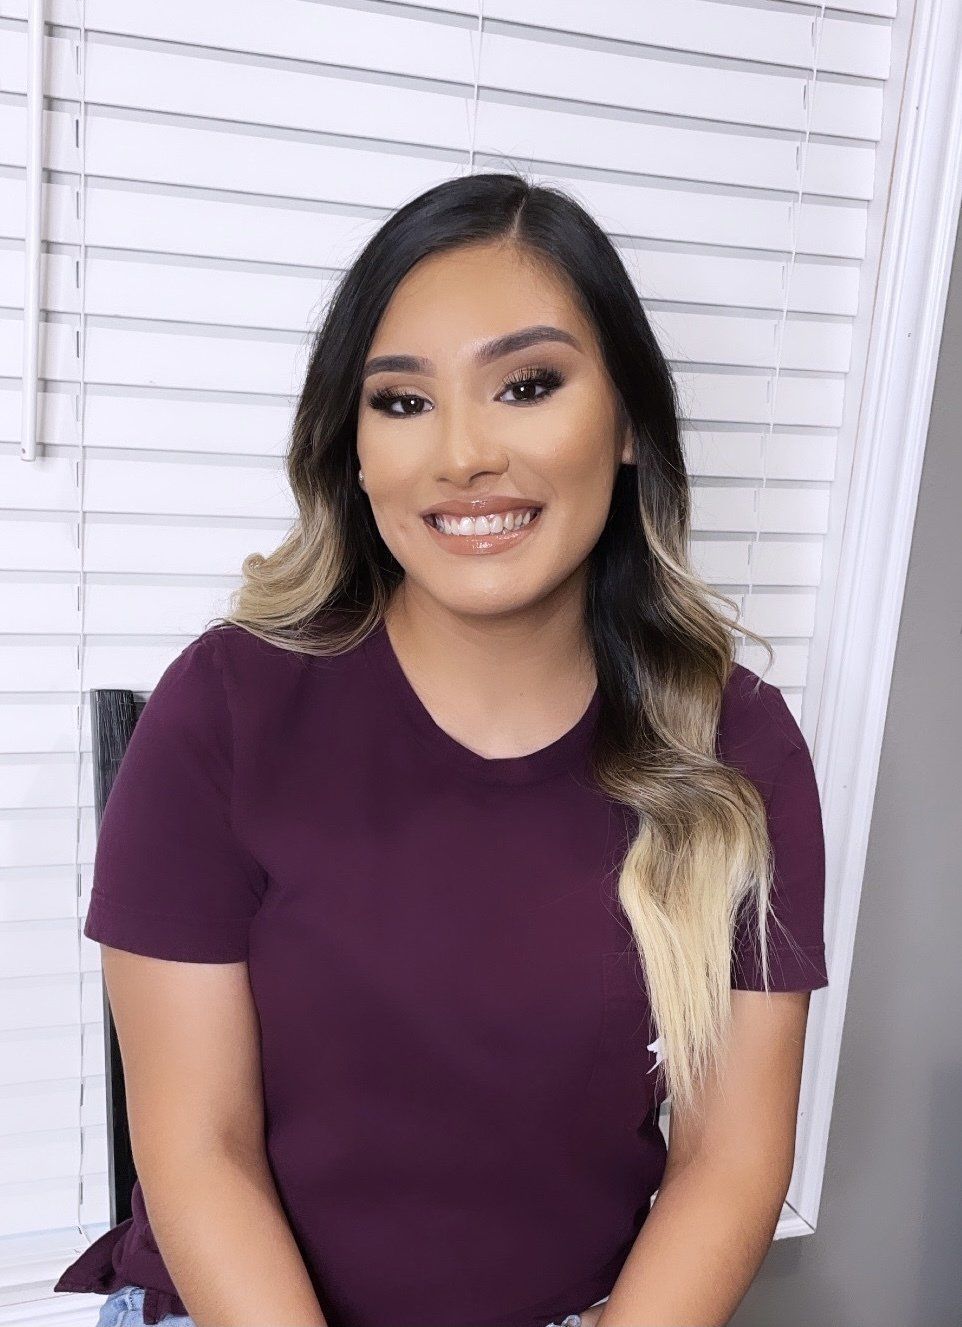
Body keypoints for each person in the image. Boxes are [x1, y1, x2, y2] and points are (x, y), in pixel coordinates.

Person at [54, 172, 829, 1327]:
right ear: (353, 453)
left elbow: (725, 1162)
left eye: (526, 384)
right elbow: (198, 1147)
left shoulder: (738, 751)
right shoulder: (223, 708)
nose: (463, 455)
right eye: (402, 403)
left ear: (623, 423)